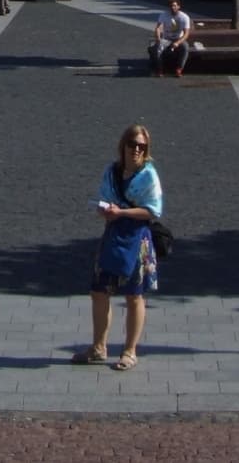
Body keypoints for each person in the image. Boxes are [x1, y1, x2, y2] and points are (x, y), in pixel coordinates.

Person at [79, 124, 163, 371]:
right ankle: (98, 347)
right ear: (123, 146)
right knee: (99, 291)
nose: (136, 150)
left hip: (137, 239)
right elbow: (103, 198)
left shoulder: (149, 175)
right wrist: (104, 210)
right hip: (114, 235)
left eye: (141, 146)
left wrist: (122, 212)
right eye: (133, 145)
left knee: (134, 294)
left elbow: (153, 210)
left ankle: (129, 351)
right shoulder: (112, 171)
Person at [150, 0, 194, 76]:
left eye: (174, 6)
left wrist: (178, 42)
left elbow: (186, 33)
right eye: (171, 6)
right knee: (158, 47)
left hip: (178, 38)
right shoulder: (164, 15)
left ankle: (179, 69)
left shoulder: (184, 17)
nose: (172, 8)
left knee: (185, 47)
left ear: (178, 7)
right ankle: (160, 69)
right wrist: (158, 38)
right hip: (166, 38)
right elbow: (158, 28)